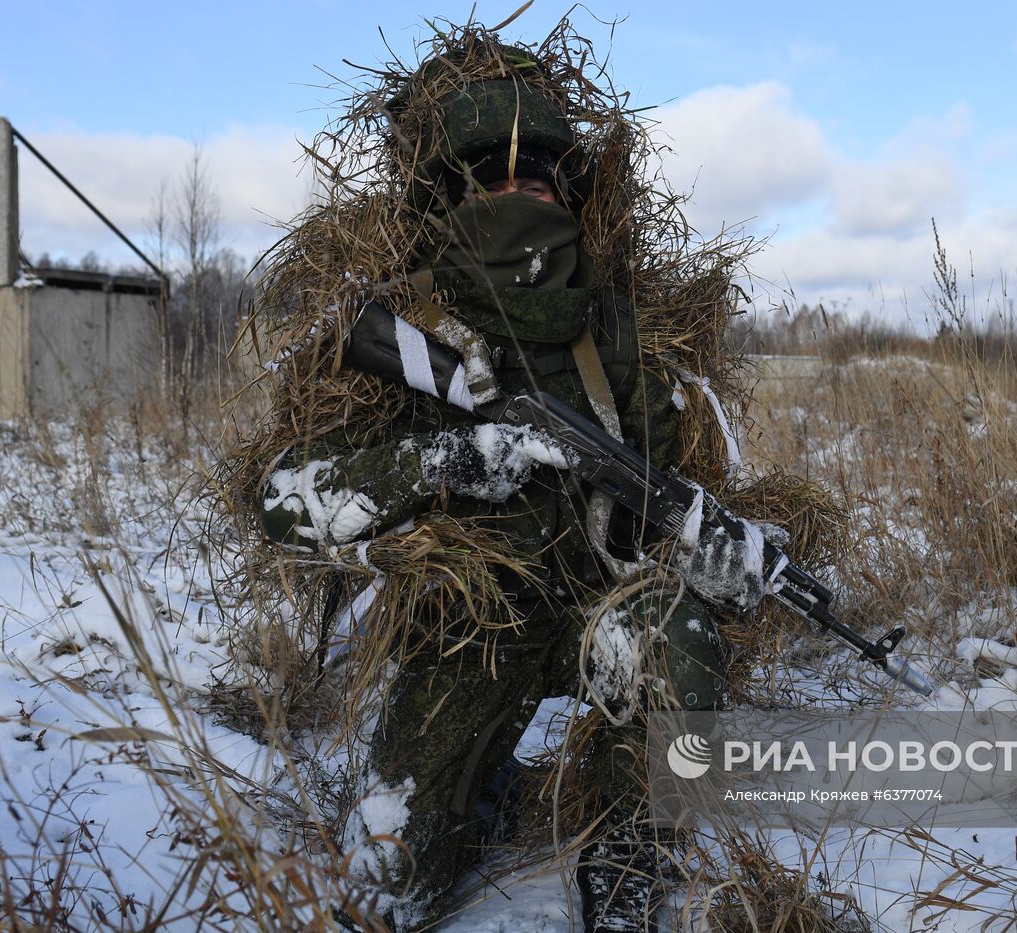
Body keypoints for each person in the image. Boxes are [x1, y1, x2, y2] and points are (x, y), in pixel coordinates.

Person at [255, 40, 777, 932]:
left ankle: (638, 844)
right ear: (453, 194)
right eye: (496, 179)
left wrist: (721, 549)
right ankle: (467, 796)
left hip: (592, 608)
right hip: (465, 626)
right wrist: (444, 462)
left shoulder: (612, 338)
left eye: (539, 179)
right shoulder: (407, 326)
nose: (521, 195)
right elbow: (281, 500)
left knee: (678, 635)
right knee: (381, 887)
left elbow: (667, 487)